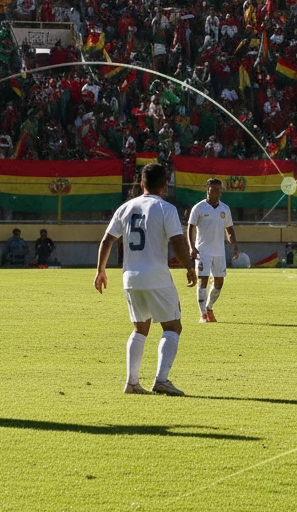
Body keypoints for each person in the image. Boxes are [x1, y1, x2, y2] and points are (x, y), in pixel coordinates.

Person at [93, 162, 196, 395]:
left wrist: (100, 270)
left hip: (130, 277)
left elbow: (107, 240)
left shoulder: (126, 207)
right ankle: (161, 380)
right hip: (156, 276)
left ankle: (132, 382)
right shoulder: (166, 208)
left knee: (140, 328)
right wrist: (189, 267)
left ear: (141, 184)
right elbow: (178, 241)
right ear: (165, 185)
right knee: (173, 326)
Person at [187, 177, 239, 322]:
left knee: (219, 282)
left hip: (219, 252)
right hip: (202, 251)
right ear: (208, 190)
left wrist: (234, 245)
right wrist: (191, 247)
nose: (217, 193)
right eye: (214, 190)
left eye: (219, 190)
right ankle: (203, 314)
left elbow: (229, 228)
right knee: (203, 280)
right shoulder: (199, 208)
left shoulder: (225, 209)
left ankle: (209, 307)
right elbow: (190, 227)